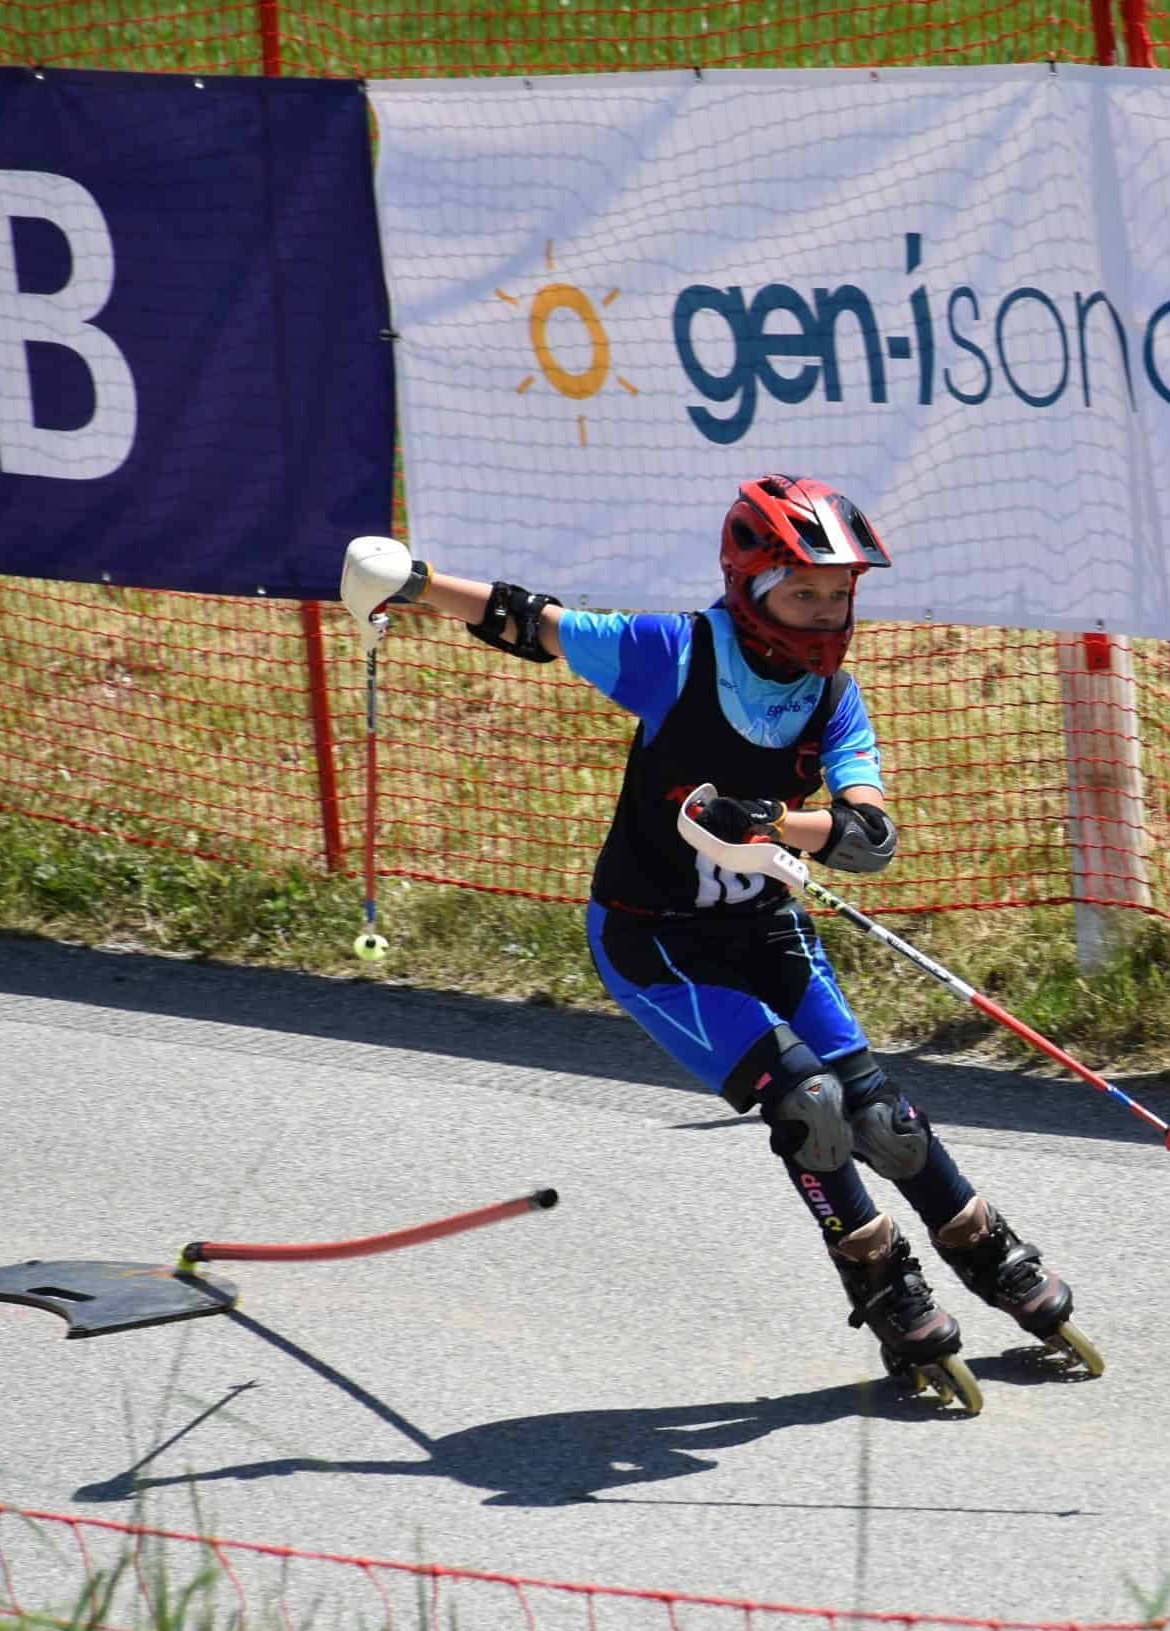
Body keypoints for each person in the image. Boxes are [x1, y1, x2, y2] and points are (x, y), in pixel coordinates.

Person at [339, 475, 1095, 1401]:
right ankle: (882, 1277)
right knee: (810, 1104)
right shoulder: (676, 653)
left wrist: (774, 822)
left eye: (839, 594)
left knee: (880, 1115)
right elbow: (530, 621)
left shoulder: (833, 698)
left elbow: (870, 836)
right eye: (803, 592)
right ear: (750, 587)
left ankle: (986, 1246)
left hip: (765, 928)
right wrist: (410, 582)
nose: (825, 614)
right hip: (656, 944)